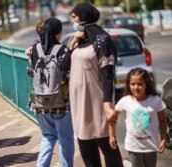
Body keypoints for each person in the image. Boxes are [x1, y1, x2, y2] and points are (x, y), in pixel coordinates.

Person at [62, 2, 123, 167]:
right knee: (85, 143)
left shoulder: (103, 40)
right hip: (79, 103)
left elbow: (108, 74)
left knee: (107, 142)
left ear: (83, 17)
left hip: (98, 101)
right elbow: (63, 66)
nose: (72, 20)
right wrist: (72, 43)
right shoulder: (78, 42)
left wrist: (107, 104)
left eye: (74, 17)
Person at [27, 18, 74, 167]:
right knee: (65, 139)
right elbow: (68, 75)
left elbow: (29, 72)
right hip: (61, 101)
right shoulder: (63, 50)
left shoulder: (34, 50)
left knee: (48, 136)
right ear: (57, 33)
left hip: (40, 102)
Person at [109, 67, 166, 167]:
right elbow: (112, 119)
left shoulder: (156, 101)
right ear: (128, 85)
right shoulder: (125, 101)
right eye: (133, 84)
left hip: (151, 146)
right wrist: (111, 136)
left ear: (146, 84)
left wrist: (163, 139)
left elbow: (162, 121)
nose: (136, 87)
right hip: (133, 146)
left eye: (140, 84)